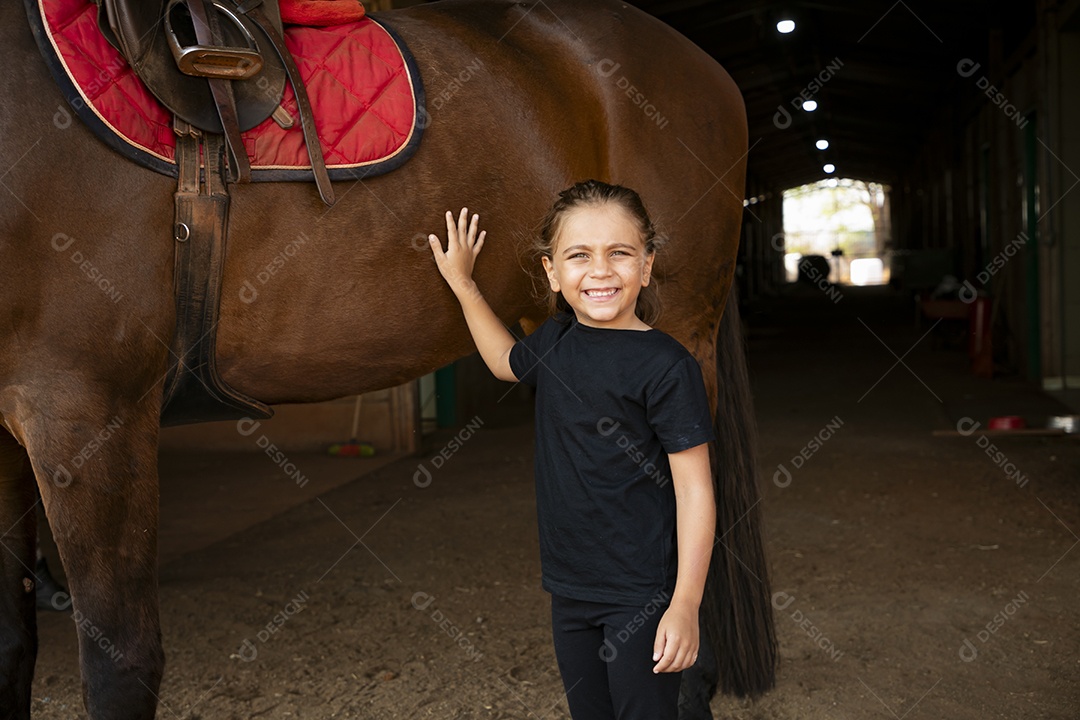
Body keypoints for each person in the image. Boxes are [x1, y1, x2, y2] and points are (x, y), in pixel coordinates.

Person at [427, 180, 716, 720]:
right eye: (579, 255)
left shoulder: (666, 366)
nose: (600, 271)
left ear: (647, 266)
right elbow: (505, 363)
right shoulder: (558, 339)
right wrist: (463, 283)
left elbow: (695, 490)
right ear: (552, 272)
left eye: (619, 253)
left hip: (642, 592)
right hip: (569, 586)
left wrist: (685, 603)